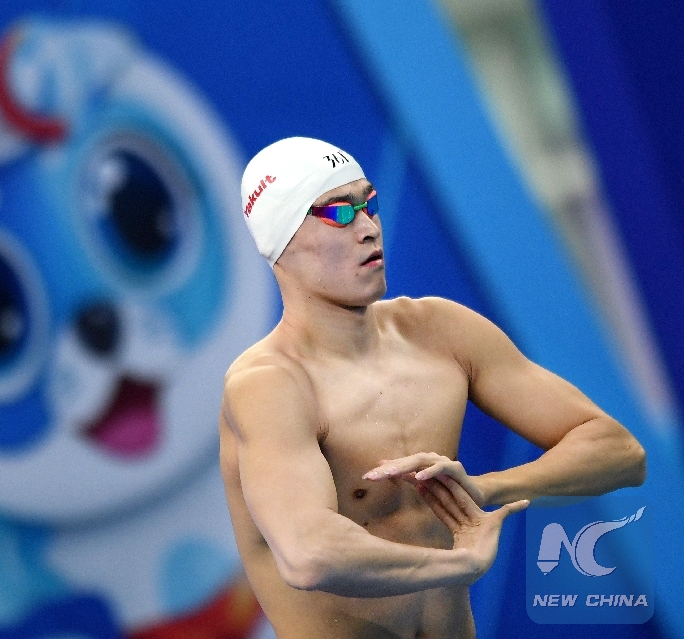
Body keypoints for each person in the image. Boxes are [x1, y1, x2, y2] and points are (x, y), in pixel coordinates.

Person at [219, 137, 646, 639]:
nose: (367, 227)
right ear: (281, 240)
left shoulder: (440, 332)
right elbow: (308, 553)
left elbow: (621, 451)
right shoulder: (269, 385)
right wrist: (458, 564)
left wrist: (485, 489)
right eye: (338, 214)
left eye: (369, 204)